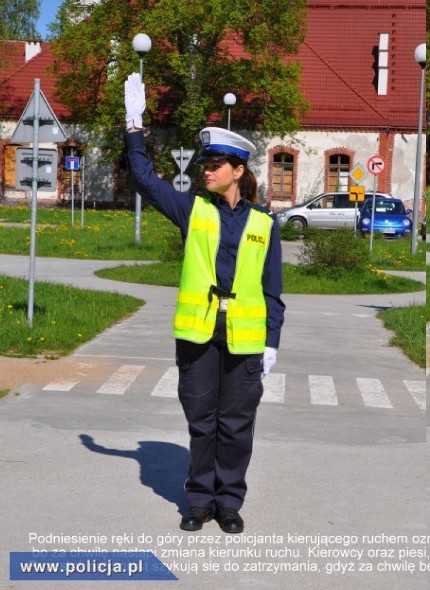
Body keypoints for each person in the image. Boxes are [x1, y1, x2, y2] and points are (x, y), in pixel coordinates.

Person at [123, 73, 285, 534]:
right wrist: (134, 127)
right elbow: (144, 179)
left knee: (236, 427)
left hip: (245, 340)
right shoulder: (190, 210)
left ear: (238, 170)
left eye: (215, 164)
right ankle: (198, 500)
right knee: (201, 421)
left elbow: (273, 289)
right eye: (204, 164)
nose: (205, 171)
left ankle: (229, 502)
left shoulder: (264, 223)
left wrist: (272, 340)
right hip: (198, 334)